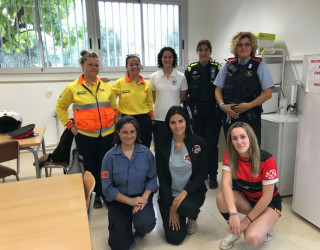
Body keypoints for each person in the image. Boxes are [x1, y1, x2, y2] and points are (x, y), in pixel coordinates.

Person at [56, 50, 118, 208]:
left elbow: (114, 107)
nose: (94, 67)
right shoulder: (72, 88)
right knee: (91, 166)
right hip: (86, 136)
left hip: (107, 134)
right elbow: (60, 107)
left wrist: (116, 125)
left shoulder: (105, 85)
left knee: (106, 165)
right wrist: (70, 127)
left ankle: (107, 193)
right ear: (82, 65)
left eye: (96, 65)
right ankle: (95, 195)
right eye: (90, 64)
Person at [216, 122, 281, 249]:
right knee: (221, 198)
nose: (239, 142)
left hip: (269, 205)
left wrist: (246, 221)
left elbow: (267, 197)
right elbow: (225, 184)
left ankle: (265, 225)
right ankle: (235, 231)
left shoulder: (267, 159)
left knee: (252, 238)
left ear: (250, 137)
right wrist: (233, 214)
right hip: (247, 200)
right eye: (235, 138)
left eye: (243, 136)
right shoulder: (230, 154)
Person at [101, 116, 158, 250]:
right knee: (119, 246)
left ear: (137, 133)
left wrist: (143, 199)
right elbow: (107, 188)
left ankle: (138, 226)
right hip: (119, 201)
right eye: (124, 132)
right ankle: (123, 227)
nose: (129, 135)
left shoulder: (146, 153)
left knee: (146, 224)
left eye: (132, 131)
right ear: (118, 133)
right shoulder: (109, 157)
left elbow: (152, 178)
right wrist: (129, 201)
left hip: (140, 198)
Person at [156, 106, 208, 245]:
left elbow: (203, 174)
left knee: (187, 208)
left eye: (181, 121)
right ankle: (179, 212)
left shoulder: (198, 143)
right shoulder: (162, 145)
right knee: (175, 239)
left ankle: (191, 217)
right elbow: (161, 177)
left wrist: (178, 203)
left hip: (191, 192)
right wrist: (170, 205)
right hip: (169, 194)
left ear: (187, 121)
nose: (177, 126)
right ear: (168, 124)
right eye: (173, 122)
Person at [214, 32, 275, 144]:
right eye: (239, 45)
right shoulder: (227, 66)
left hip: (250, 117)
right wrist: (223, 106)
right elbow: (218, 90)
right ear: (235, 47)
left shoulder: (260, 66)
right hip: (230, 116)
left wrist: (249, 105)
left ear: (252, 47)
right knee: (232, 150)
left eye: (247, 44)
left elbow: (268, 93)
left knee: (251, 151)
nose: (243, 47)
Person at [185, 39, 221, 189]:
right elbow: (184, 93)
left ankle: (213, 176)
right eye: (200, 50)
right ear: (197, 52)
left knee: (212, 146)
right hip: (196, 114)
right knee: (198, 145)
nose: (203, 53)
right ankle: (201, 173)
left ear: (210, 52)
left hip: (213, 114)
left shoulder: (218, 68)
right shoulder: (190, 69)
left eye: (206, 50)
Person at [112, 54, 154, 148]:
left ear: (140, 66)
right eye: (131, 65)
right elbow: (111, 101)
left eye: (137, 64)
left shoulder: (146, 85)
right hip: (126, 120)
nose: (134, 67)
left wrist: (152, 118)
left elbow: (149, 103)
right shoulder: (119, 83)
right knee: (127, 147)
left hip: (144, 120)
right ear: (126, 67)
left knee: (144, 146)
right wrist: (116, 118)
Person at [150, 47, 188, 149]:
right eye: (165, 57)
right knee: (159, 147)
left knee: (175, 146)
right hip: (159, 118)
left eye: (170, 57)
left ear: (174, 59)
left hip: (175, 119)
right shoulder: (154, 76)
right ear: (160, 59)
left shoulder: (181, 76)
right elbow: (153, 97)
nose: (167, 59)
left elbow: (182, 96)